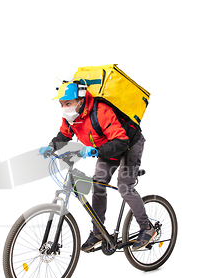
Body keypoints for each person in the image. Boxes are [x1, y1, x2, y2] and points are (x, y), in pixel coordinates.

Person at [39, 82, 156, 252]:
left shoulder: (100, 111)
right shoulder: (71, 117)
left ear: (80, 101)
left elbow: (122, 141)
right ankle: (98, 232)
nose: (64, 108)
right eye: (62, 104)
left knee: (124, 186)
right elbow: (64, 135)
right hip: (107, 145)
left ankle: (147, 228)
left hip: (130, 143)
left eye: (68, 103)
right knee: (98, 184)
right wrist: (51, 147)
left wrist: (95, 151)